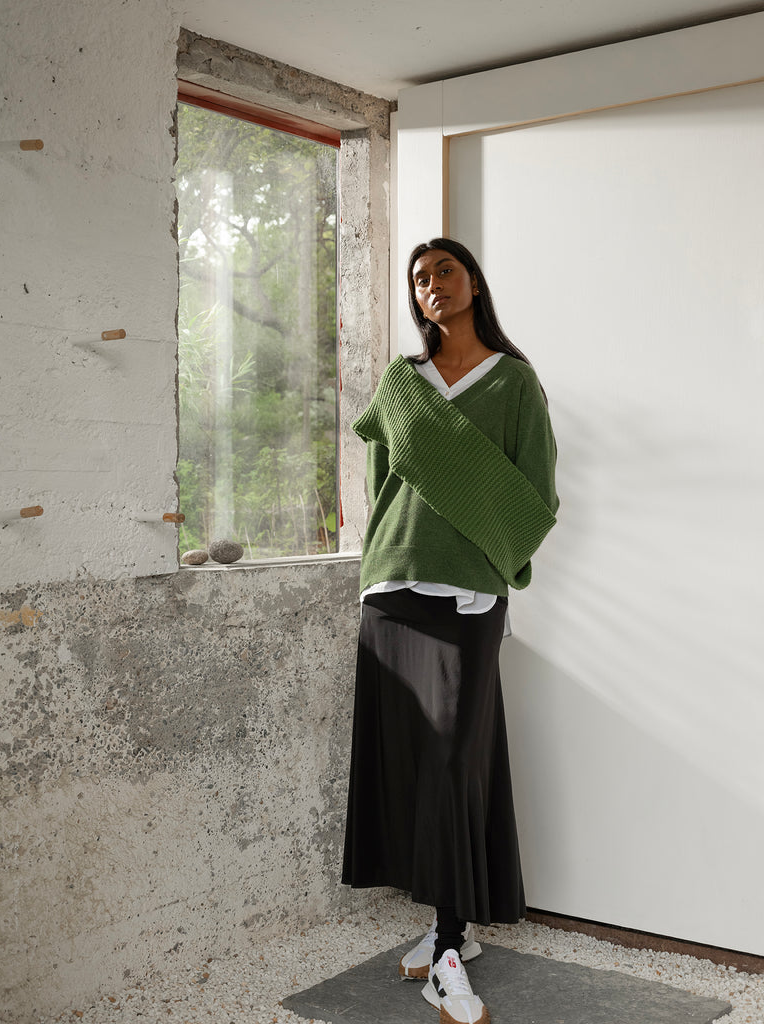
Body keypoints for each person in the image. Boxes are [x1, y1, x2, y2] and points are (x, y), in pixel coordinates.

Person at [342, 237, 559, 1024]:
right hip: (391, 589)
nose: (432, 286)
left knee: (453, 765)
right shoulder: (403, 383)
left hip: (466, 599)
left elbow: (535, 498)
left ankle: (445, 947)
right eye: (420, 280)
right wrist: (380, 563)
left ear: (473, 283)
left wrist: (488, 557)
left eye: (445, 272)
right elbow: (381, 485)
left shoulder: (515, 385)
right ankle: (448, 936)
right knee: (408, 763)